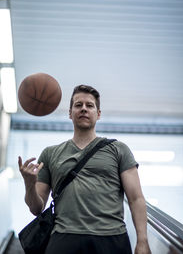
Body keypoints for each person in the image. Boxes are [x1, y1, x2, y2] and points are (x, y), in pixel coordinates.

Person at [18, 84, 151, 254]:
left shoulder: (119, 149)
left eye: (90, 105)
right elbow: (36, 208)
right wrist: (29, 184)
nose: (84, 109)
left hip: (111, 237)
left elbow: (136, 198)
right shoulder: (50, 153)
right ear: (70, 113)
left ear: (98, 114)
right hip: (64, 237)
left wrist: (142, 240)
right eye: (78, 105)